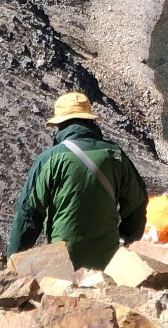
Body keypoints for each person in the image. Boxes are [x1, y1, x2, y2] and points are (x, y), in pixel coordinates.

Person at [9, 91, 148, 268]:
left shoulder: (49, 159)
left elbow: (28, 214)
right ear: (91, 121)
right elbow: (137, 203)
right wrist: (125, 239)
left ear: (60, 125)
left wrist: (14, 261)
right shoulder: (115, 154)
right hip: (108, 260)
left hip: (63, 260)